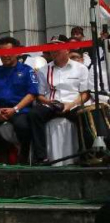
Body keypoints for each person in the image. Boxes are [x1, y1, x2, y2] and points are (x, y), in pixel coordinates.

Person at [30, 35, 90, 164]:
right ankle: (41, 157)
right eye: (51, 48)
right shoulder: (44, 70)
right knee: (34, 114)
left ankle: (85, 155)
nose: (53, 51)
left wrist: (71, 104)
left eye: (58, 48)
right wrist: (47, 102)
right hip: (52, 103)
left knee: (85, 116)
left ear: (67, 49)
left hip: (73, 103)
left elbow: (85, 94)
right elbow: (39, 94)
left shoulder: (80, 68)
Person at [0, 37, 38, 164]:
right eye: (2, 53)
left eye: (8, 52)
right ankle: (5, 149)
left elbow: (32, 94)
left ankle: (24, 154)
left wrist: (15, 109)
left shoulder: (27, 70)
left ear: (17, 52)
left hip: (20, 109)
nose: (5, 56)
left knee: (22, 126)